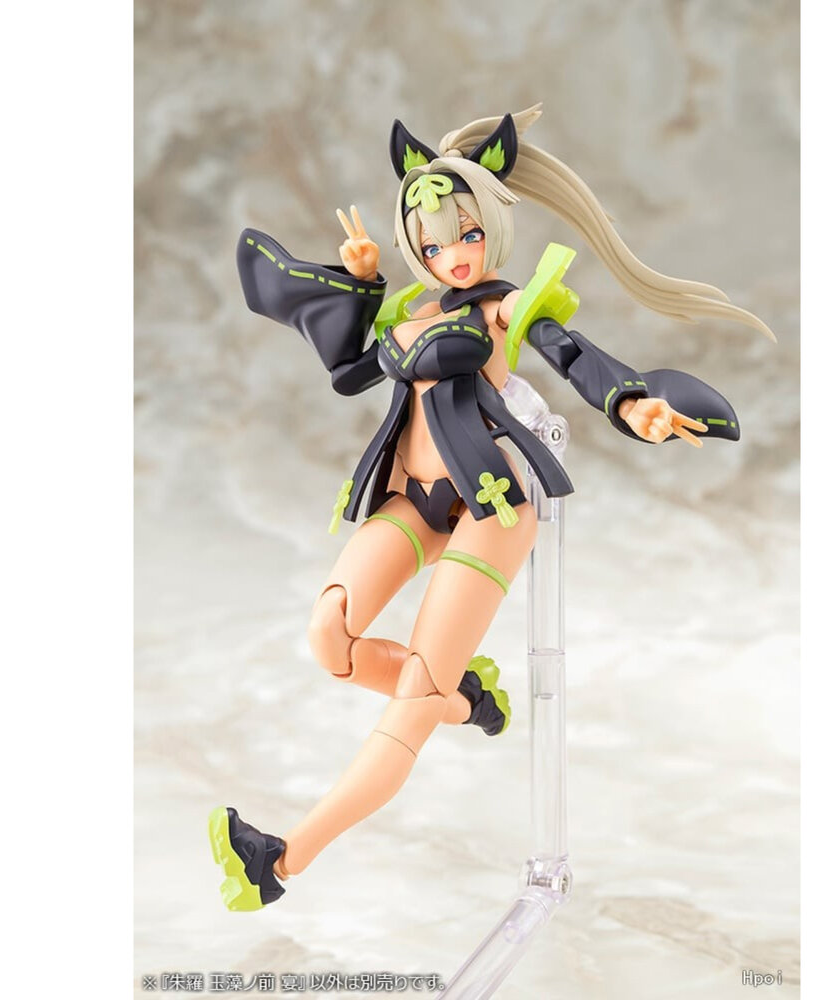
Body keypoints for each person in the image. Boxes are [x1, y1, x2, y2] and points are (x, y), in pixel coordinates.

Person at [209, 106, 772, 911]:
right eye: (434, 244)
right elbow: (349, 373)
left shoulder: (503, 307)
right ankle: (465, 697)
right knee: (330, 636)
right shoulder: (414, 311)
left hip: (491, 503)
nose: (453, 255)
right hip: (411, 498)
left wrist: (629, 402)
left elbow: (571, 354)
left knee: (410, 703)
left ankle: (281, 861)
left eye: (466, 236)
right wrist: (364, 283)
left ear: (491, 229)